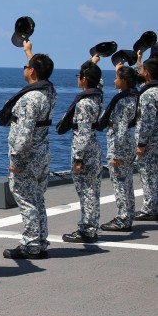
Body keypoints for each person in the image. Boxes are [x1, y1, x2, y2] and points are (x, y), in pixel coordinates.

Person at [0, 41, 56, 259]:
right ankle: (40, 240)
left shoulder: (30, 98)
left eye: (26, 66)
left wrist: (17, 161)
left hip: (28, 156)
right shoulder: (48, 92)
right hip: (42, 153)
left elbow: (23, 134)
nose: (24, 68)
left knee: (26, 199)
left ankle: (30, 244)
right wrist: (28, 51)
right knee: (37, 198)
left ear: (32, 71)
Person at [58, 61, 104, 243]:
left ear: (84, 80)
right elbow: (98, 83)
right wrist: (93, 63)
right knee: (92, 190)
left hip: (85, 152)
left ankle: (87, 229)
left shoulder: (84, 103)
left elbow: (82, 134)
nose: (78, 79)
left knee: (87, 191)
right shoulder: (97, 96)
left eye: (79, 76)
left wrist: (78, 158)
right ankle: (90, 226)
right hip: (94, 147)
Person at [96, 63, 140, 232]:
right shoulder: (133, 97)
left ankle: (123, 219)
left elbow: (120, 130)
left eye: (117, 78)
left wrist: (115, 154)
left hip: (120, 146)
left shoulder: (122, 103)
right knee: (127, 182)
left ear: (124, 81)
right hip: (129, 143)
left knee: (121, 184)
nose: (114, 80)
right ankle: (128, 214)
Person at [136, 58, 158, 221]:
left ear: (147, 73)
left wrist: (142, 142)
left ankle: (150, 208)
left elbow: (147, 121)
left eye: (142, 69)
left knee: (148, 174)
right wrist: (138, 62)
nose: (140, 71)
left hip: (150, 141)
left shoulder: (148, 93)